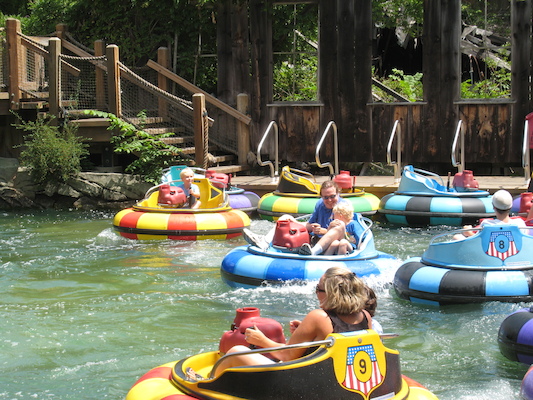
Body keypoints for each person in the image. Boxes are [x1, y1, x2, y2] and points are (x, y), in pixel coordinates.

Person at [191, 266, 371, 380]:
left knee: (235, 352)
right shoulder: (365, 316)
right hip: (340, 379)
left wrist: (261, 340)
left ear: (331, 294)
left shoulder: (319, 317)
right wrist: (306, 333)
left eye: (318, 289)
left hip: (305, 381)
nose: (316, 292)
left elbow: (286, 357)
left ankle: (206, 383)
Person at [242, 180, 347, 250]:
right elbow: (310, 224)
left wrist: (325, 231)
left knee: (337, 230)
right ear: (321, 197)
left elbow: (345, 231)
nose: (329, 200)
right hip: (316, 237)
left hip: (332, 240)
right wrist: (312, 227)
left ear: (338, 193)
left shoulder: (343, 206)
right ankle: (264, 241)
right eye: (325, 197)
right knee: (285, 218)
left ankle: (314, 252)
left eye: (332, 196)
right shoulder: (320, 203)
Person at [454, 189, 526, 239]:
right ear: (511, 206)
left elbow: (478, 240)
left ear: (493, 207)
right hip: (514, 253)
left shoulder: (487, 224)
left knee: (456, 237)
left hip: (490, 254)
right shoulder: (520, 223)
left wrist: (468, 232)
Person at [299, 201, 364, 255]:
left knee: (343, 242)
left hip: (350, 247)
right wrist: (330, 227)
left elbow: (361, 237)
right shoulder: (335, 225)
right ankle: (323, 260)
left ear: (340, 216)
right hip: (338, 244)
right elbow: (330, 236)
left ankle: (340, 262)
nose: (332, 218)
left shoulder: (353, 224)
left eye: (334, 215)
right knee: (335, 243)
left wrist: (360, 249)